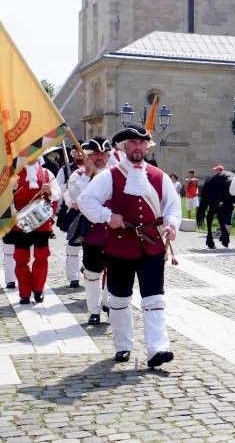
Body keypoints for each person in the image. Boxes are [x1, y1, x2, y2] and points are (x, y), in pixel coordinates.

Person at [78, 123, 181, 368]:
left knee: (154, 298)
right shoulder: (109, 176)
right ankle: (123, 345)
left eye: (141, 143)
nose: (137, 147)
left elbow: (172, 206)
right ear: (124, 147)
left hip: (152, 245)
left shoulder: (159, 176)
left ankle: (157, 348)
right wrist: (106, 216)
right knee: (119, 298)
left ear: (147, 146)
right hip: (120, 246)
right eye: (132, 143)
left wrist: (172, 225)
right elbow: (85, 200)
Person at [65, 136, 112, 325]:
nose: (99, 157)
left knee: (115, 270)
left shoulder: (116, 174)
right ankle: (94, 310)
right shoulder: (78, 175)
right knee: (92, 273)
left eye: (103, 154)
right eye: (95, 154)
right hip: (92, 233)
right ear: (88, 156)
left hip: (114, 232)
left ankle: (109, 302)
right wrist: (87, 176)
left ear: (108, 156)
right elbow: (73, 200)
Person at [12, 160, 61, 304]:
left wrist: (50, 191)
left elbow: (58, 194)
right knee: (20, 258)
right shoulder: (13, 175)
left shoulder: (47, 173)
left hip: (41, 221)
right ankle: (24, 293)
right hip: (20, 222)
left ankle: (38, 290)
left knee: (41, 256)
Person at [58, 146, 88, 288]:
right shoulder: (66, 170)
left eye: (81, 151)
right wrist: (67, 185)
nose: (79, 154)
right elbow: (59, 190)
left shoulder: (100, 172)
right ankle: (73, 277)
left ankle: (89, 270)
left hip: (93, 214)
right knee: (73, 245)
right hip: (76, 212)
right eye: (76, 151)